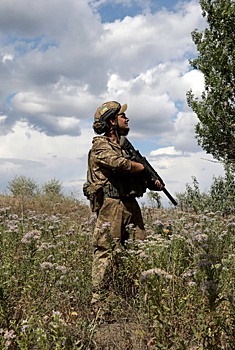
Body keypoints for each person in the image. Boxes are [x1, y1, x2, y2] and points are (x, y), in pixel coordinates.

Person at [83, 100, 163, 308]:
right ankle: (99, 302)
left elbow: (135, 170)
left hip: (130, 204)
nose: (126, 119)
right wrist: (140, 168)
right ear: (111, 121)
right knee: (106, 250)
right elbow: (119, 164)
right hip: (112, 205)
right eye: (121, 116)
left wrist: (152, 181)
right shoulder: (101, 146)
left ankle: (131, 293)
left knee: (137, 248)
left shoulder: (126, 147)